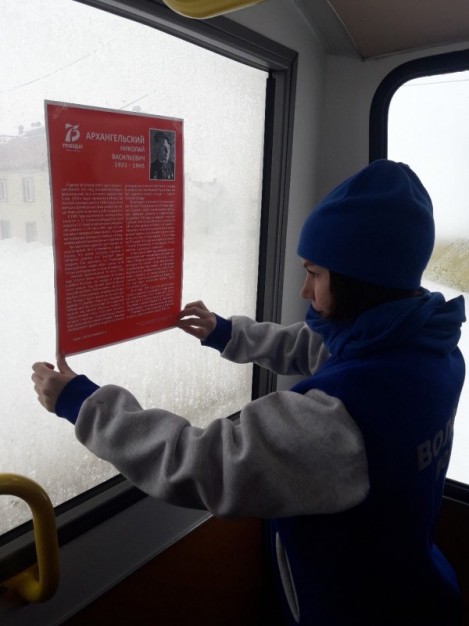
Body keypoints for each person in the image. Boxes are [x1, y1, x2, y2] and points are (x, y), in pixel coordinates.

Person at [32, 160, 466, 625]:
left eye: (315, 274)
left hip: (351, 609)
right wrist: (226, 333)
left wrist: (84, 405)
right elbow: (321, 347)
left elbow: (206, 463)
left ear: (359, 282)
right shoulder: (429, 352)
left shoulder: (340, 423)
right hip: (413, 583)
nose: (304, 290)